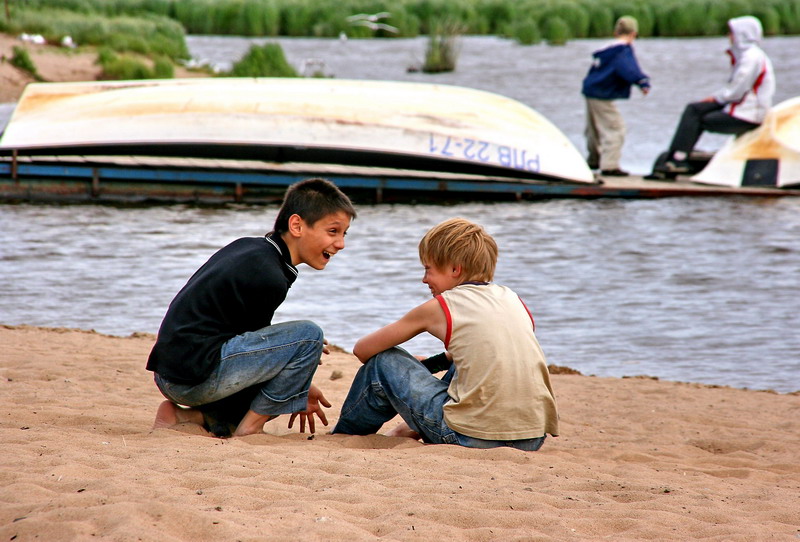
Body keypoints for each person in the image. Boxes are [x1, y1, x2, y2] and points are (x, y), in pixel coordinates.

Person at [147, 178, 356, 438]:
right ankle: (250, 429)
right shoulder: (269, 275)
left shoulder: (253, 249)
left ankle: (186, 417)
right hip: (191, 380)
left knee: (296, 352)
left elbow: (253, 345)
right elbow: (260, 351)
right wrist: (302, 369)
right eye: (333, 231)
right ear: (297, 225)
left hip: (170, 372)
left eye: (344, 234)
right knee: (309, 336)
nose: (341, 244)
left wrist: (301, 380)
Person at [332, 218, 559, 451]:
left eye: (428, 269)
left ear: (454, 269)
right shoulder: (513, 299)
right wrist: (437, 362)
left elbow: (363, 349)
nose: (424, 279)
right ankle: (409, 429)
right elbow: (486, 354)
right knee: (467, 361)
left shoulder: (441, 306)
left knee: (384, 361)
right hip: (531, 438)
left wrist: (412, 365)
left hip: (470, 438)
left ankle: (343, 435)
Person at [657, 15, 775, 174]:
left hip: (747, 116)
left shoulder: (751, 57)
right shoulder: (749, 55)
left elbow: (736, 91)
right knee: (694, 110)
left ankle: (678, 159)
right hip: (742, 111)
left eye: (732, 33)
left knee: (695, 114)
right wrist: (714, 100)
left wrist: (714, 99)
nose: (729, 37)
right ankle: (677, 158)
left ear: (743, 34)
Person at [581, 15, 651, 177]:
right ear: (633, 34)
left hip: (591, 90)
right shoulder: (623, 50)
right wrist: (642, 81)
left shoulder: (606, 50)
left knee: (594, 128)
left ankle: (593, 160)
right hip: (602, 93)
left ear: (615, 32)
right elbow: (627, 68)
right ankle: (609, 166)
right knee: (615, 128)